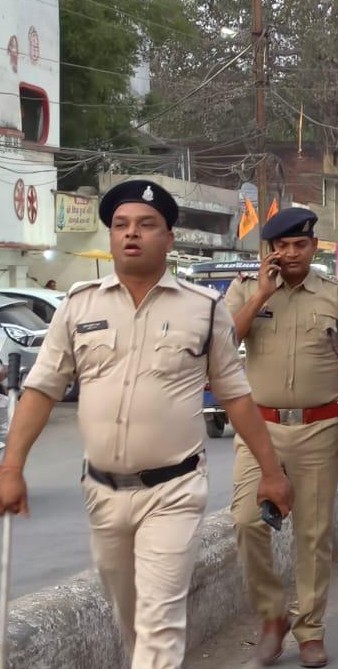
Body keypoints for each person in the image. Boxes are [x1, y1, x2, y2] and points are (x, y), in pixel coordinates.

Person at [0, 180, 293, 669]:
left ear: (168, 238)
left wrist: (270, 471)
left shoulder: (204, 308)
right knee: (132, 618)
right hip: (102, 492)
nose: (131, 233)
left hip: (174, 489)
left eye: (145, 225)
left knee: (160, 622)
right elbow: (42, 390)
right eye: (121, 225)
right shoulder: (79, 305)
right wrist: (12, 468)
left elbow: (236, 396)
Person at [226, 207, 338, 668]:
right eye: (283, 246)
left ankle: (310, 629)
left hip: (320, 427)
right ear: (270, 250)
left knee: (313, 534)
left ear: (314, 247)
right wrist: (261, 294)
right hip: (260, 428)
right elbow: (224, 342)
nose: (291, 253)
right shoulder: (244, 289)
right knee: (247, 521)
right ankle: (272, 617)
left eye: (300, 245)